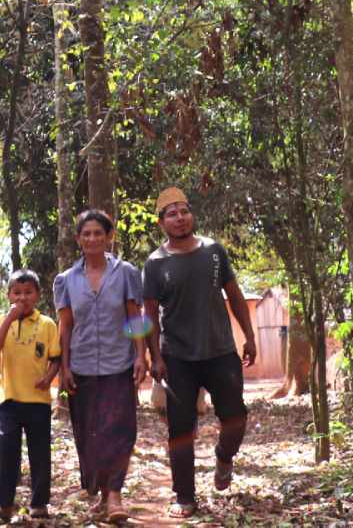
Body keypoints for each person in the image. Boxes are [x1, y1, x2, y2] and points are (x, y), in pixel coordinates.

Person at [143, 187, 257, 518]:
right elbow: (149, 315)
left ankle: (224, 457)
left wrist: (249, 336)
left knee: (235, 418)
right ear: (162, 223)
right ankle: (184, 496)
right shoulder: (155, 263)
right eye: (172, 214)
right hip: (177, 358)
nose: (180, 218)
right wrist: (155, 356)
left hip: (220, 351)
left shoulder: (214, 252)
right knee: (180, 430)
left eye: (184, 211)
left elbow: (235, 296)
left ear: (191, 215)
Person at [54, 210, 147, 524]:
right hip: (81, 367)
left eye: (98, 233)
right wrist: (65, 367)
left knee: (120, 431)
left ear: (109, 237)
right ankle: (101, 494)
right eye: (86, 234)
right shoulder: (66, 280)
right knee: (89, 434)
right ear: (78, 239)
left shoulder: (126, 273)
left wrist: (141, 356)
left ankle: (115, 494)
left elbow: (134, 317)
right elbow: (66, 327)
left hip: (118, 365)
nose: (92, 238)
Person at [0, 269, 61, 522]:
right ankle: (4, 504)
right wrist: (9, 318)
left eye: (28, 292)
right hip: (9, 400)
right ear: (8, 296)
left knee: (39, 453)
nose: (22, 298)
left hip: (38, 402)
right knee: (7, 453)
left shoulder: (47, 324)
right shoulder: (1, 321)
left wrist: (48, 378)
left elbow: (56, 358)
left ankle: (39, 503)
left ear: (37, 295)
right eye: (16, 292)